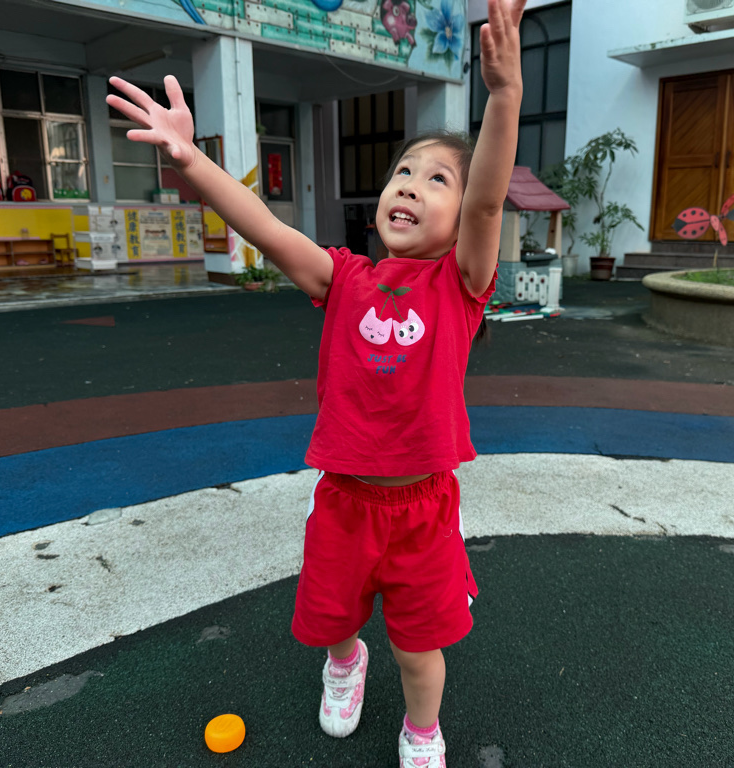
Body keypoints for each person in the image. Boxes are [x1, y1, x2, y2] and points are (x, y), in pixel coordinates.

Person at [107, 0, 525, 763]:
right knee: (332, 619)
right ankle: (344, 661)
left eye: (437, 179)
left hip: (422, 509)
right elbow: (266, 229)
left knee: (419, 646)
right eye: (403, 172)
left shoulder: (460, 286)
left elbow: (491, 198)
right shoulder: (343, 278)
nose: (409, 186)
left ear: (464, 213)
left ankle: (422, 730)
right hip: (345, 501)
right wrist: (191, 161)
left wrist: (504, 94)